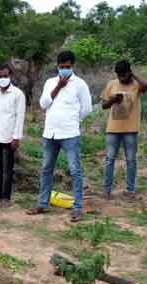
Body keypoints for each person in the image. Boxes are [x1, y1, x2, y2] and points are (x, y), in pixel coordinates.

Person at [27, 51, 92, 222]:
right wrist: (58, 87)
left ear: (73, 66)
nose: (64, 70)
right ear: (57, 66)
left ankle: (77, 208)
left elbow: (86, 109)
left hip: (70, 133)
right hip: (50, 132)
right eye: (62, 67)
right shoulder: (50, 83)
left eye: (68, 67)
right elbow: (43, 104)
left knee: (75, 170)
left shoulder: (80, 84)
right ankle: (43, 203)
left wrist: (73, 119)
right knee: (46, 169)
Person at [100, 60, 147, 202]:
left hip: (131, 129)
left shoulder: (136, 85)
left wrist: (134, 76)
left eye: (124, 74)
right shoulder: (111, 84)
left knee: (131, 161)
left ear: (129, 72)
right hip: (113, 129)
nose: (121, 78)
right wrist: (112, 100)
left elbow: (146, 85)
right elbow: (103, 105)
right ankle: (107, 190)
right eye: (119, 75)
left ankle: (130, 191)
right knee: (109, 160)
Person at [0, 63, 26, 209]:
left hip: (9, 136)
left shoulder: (18, 94)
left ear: (10, 76)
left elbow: (20, 116)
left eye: (5, 76)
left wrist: (17, 137)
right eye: (0, 76)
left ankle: (6, 197)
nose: (2, 78)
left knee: (8, 169)